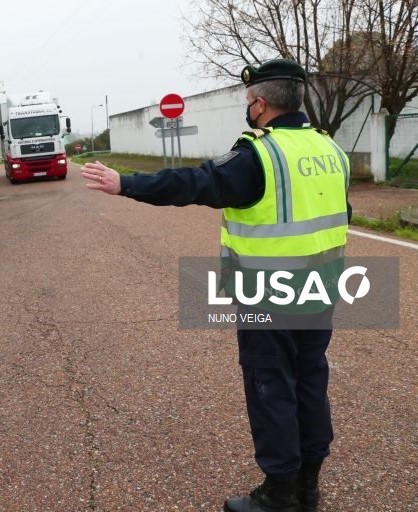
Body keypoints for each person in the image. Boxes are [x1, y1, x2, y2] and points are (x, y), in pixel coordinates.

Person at [82, 59, 350, 512]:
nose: (249, 109)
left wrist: (125, 183)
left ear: (260, 104)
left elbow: (193, 183)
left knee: (271, 385)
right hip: (321, 288)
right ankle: (308, 486)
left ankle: (280, 494)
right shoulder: (331, 149)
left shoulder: (259, 155)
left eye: (249, 101)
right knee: (310, 380)